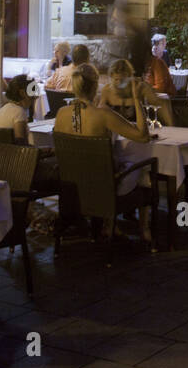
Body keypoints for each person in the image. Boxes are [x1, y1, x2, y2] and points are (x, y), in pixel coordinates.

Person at [53, 64, 154, 245]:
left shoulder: (61, 114)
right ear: (95, 87)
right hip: (104, 190)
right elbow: (143, 136)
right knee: (144, 168)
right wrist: (137, 99)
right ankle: (142, 229)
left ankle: (109, 225)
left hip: (72, 190)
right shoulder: (103, 115)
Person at [98, 59, 165, 124]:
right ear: (111, 77)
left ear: (129, 77)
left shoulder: (139, 87)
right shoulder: (107, 90)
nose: (119, 83)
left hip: (137, 127)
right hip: (115, 127)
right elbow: (100, 110)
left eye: (122, 80)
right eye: (116, 79)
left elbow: (159, 104)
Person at [0, 74, 32, 141]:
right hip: (11, 150)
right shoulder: (19, 112)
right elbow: (20, 141)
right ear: (22, 93)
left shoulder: (2, 109)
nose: (35, 97)